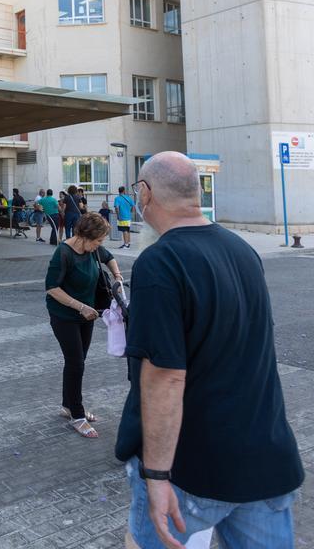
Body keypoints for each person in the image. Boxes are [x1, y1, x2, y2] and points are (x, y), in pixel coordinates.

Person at [116, 152, 303, 549]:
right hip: (265, 458)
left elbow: (165, 376)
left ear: (145, 194)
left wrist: (158, 474)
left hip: (193, 467)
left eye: (137, 191)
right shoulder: (243, 251)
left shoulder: (159, 262)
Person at [44, 213, 122, 439]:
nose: (100, 246)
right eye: (98, 241)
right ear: (85, 236)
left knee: (78, 361)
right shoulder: (63, 253)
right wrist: (79, 306)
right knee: (76, 362)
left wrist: (116, 275)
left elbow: (110, 258)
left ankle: (68, 404)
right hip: (64, 315)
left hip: (87, 314)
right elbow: (51, 288)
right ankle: (77, 415)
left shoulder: (94, 249)